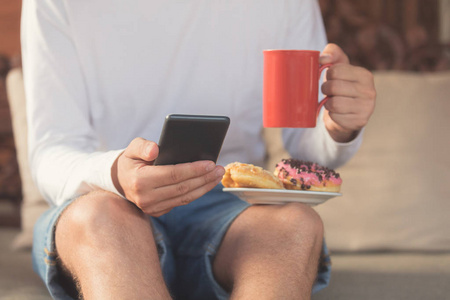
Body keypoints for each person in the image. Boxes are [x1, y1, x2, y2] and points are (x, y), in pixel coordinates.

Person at [21, 0, 376, 299]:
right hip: (106, 200)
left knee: (296, 224)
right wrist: (116, 174)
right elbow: (53, 149)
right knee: (100, 219)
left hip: (231, 209)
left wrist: (338, 127)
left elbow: (305, 147)